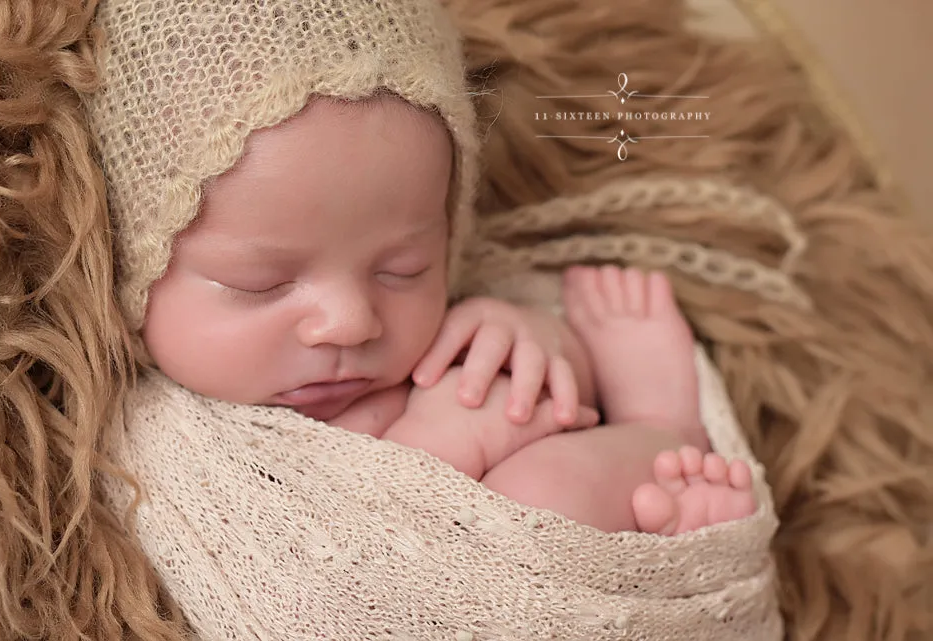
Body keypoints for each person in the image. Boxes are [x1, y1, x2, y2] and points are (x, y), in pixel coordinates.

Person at [140, 91, 756, 534]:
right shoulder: (162, 439)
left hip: (591, 545)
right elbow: (339, 567)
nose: (353, 321)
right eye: (262, 283)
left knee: (541, 469)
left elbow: (558, 408)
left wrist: (538, 344)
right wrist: (438, 446)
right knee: (533, 500)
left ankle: (664, 430)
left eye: (403, 269)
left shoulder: (446, 334)